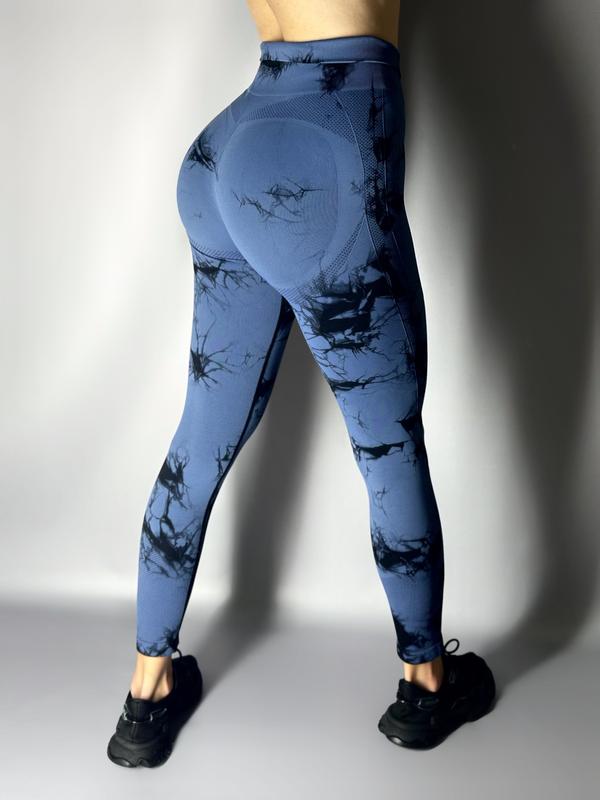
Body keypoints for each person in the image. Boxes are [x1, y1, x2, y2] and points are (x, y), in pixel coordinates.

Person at [107, 0, 496, 767]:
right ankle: (426, 681)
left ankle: (146, 694)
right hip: (323, 139)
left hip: (232, 143)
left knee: (204, 430)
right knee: (388, 442)